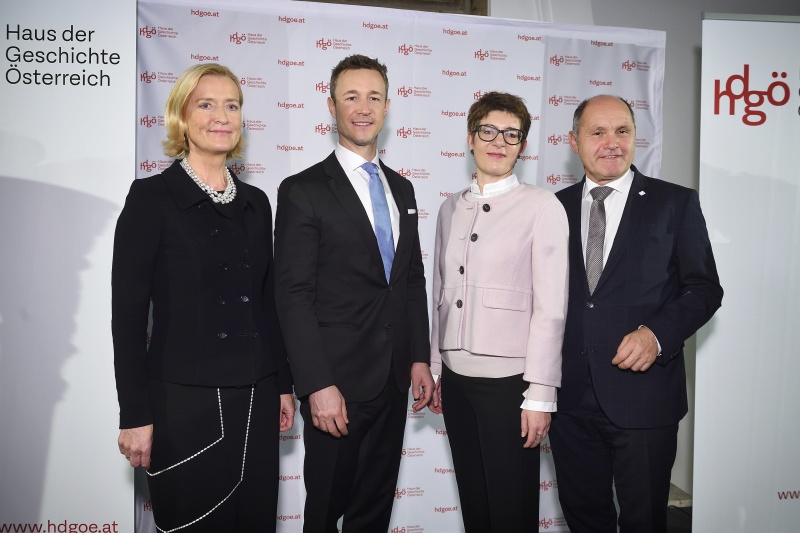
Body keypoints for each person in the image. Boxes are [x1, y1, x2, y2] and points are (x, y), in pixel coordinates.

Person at [112, 63, 295, 532]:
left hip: (255, 398)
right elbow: (128, 318)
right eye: (207, 104)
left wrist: (281, 384)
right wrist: (134, 414)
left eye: (231, 105)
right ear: (181, 117)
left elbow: (266, 304)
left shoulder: (257, 203)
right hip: (181, 407)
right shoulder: (151, 198)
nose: (222, 116)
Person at [273, 54, 435, 532]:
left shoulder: (403, 190)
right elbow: (293, 295)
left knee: (373, 511)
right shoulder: (302, 190)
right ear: (331, 106)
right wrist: (316, 384)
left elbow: (410, 281)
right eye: (351, 97)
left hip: (392, 380)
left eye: (373, 97)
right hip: (336, 386)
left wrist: (419, 358)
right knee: (325, 510)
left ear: (387, 108)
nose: (363, 108)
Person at [550, 94, 723, 533]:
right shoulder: (552, 208)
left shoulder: (674, 203)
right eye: (598, 132)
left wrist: (656, 335)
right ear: (574, 141)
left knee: (645, 521)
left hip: (645, 399)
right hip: (569, 400)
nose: (612, 142)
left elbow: (704, 289)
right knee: (584, 519)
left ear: (635, 137)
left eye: (622, 131)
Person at [427, 91, 569, 532]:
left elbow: (552, 307)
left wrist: (541, 393)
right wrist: (434, 367)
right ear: (471, 137)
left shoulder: (542, 205)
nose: (499, 141)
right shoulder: (450, 207)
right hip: (455, 379)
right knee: (474, 500)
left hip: (510, 385)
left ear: (522, 146)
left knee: (511, 508)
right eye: (489, 130)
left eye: (512, 134)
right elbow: (439, 293)